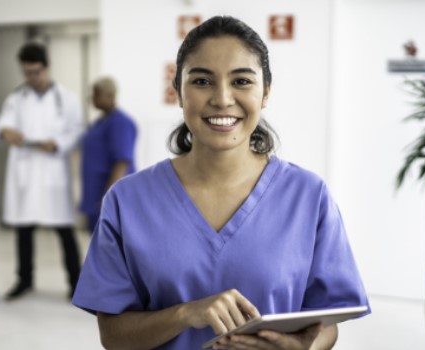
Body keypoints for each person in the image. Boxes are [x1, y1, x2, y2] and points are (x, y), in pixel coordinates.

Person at [72, 16, 370, 349]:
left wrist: (303, 348)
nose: (222, 99)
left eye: (242, 81)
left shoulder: (308, 196)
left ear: (265, 92)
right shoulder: (127, 200)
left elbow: (325, 323)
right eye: (202, 81)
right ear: (179, 93)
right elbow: (113, 337)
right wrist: (187, 313)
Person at [0, 42, 84, 300]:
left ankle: (76, 285)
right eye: (26, 72)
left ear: (46, 68)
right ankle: (24, 280)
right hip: (25, 173)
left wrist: (58, 143)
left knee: (65, 231)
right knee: (24, 230)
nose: (31, 78)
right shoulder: (16, 99)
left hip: (52, 170)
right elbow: (3, 125)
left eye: (36, 72)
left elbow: (76, 130)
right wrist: (6, 132)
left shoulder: (66, 98)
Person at [80, 77, 138, 233]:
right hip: (95, 195)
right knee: (97, 245)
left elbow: (122, 162)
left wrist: (109, 198)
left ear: (109, 96)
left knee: (112, 247)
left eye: (96, 94)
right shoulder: (100, 122)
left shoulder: (120, 123)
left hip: (108, 197)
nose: (91, 98)